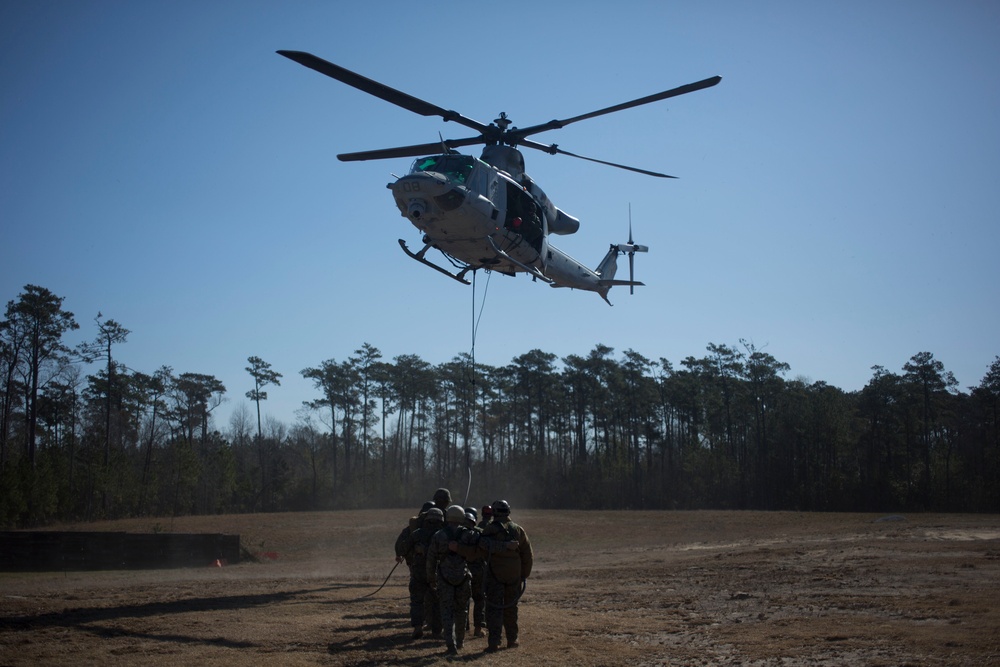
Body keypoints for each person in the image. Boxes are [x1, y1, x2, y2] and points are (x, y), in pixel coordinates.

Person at [426, 504, 480, 654]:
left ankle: (450, 644)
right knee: (461, 611)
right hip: (463, 578)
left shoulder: (438, 535)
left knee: (446, 611)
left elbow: (431, 559)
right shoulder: (469, 534)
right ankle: (460, 641)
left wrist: (431, 579)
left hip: (444, 579)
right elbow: (477, 550)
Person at [480, 499, 532, 652]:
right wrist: (523, 574)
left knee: (494, 609)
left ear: (494, 513)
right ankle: (512, 639)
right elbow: (527, 554)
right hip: (514, 576)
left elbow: (482, 546)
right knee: (511, 608)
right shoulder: (518, 530)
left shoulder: (489, 529)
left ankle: (494, 641)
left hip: (495, 575)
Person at [402, 507, 444, 639]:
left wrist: (416, 550)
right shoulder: (443, 535)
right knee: (438, 601)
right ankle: (437, 630)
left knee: (417, 601)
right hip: (437, 572)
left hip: (419, 572)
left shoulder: (417, 533)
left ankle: (418, 627)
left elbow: (404, 549)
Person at [464, 508, 487, 637]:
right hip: (478, 571)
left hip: (462, 570)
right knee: (479, 599)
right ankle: (478, 628)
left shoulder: (458, 535)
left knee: (463, 599)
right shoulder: (480, 533)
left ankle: (464, 625)